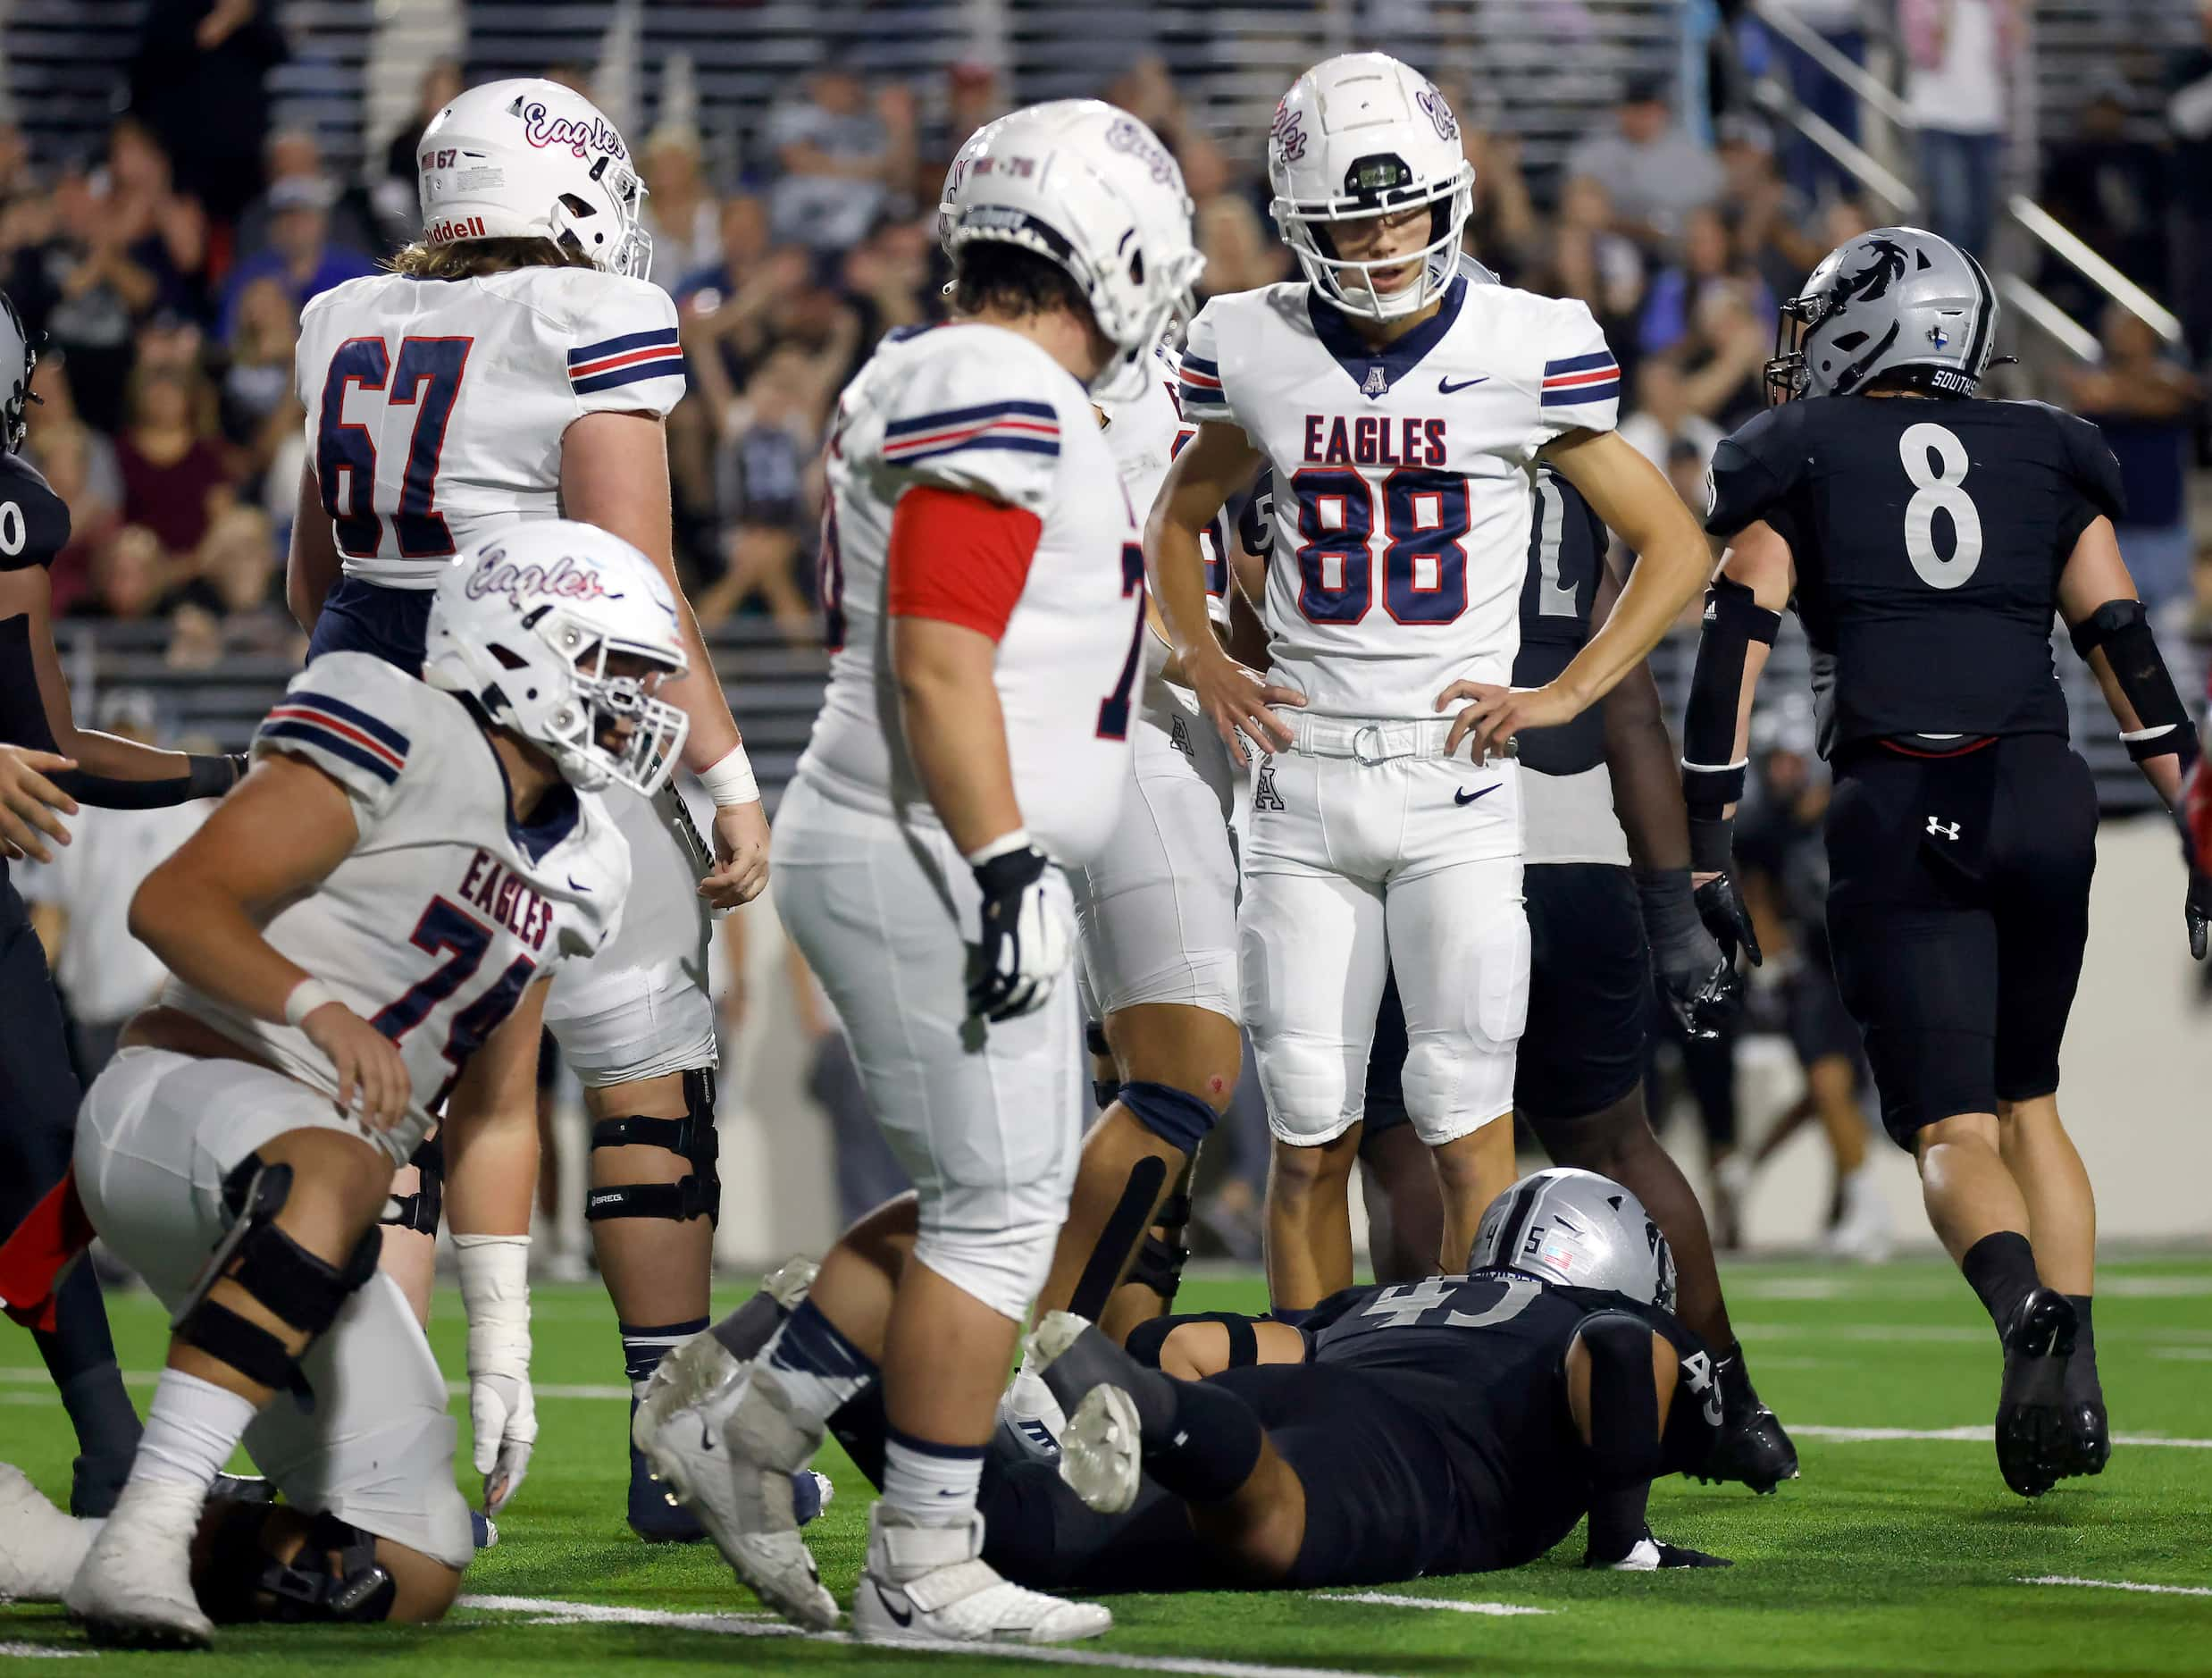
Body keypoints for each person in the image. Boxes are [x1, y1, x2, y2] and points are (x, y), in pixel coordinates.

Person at [632, 97, 1202, 1645]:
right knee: (1002, 1213)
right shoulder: (994, 379)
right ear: (1119, 245)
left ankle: (746, 1431)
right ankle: (924, 1559)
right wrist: (1009, 859)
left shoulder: (972, 369)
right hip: (930, 839)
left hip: (920, 834)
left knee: (983, 1193)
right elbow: (944, 662)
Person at [0, 520, 668, 1646]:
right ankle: (150, 1527)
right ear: (521, 648)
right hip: (184, 1106)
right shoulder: (391, 716)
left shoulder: (586, 861)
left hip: (315, 1192)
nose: (638, 701)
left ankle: (46, 1548)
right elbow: (175, 903)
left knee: (403, 1567)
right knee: (343, 1160)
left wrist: (501, 1343)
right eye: (616, 669)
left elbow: (498, 1110)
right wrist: (316, 1006)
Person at [280, 77, 775, 1541]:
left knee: (396, 1088)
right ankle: (671, 1438)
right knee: (642, 1059)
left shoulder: (339, 316)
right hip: (538, 729)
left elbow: (315, 578)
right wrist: (727, 779)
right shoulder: (581, 318)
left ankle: (380, 1453)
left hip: (356, 725)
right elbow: (639, 588)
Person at [1149, 53, 1715, 1311]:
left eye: (1406, 206)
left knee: (1472, 1132)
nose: (1389, 237)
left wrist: (1563, 694)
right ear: (1307, 220)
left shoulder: (1526, 341)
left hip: (1458, 784)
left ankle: (1468, 1412)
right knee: (1311, 1134)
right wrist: (1202, 659)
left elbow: (1677, 546)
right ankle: (1311, 1424)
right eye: (1358, 215)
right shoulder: (1253, 342)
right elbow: (1175, 519)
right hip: (1300, 790)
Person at [1688, 226, 2210, 1499]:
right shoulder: (2044, 445)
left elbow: (1735, 643)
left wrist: (1703, 837)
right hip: (2045, 789)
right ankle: (2067, 1368)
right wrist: (2195, 808)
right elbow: (2122, 644)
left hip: (1899, 793)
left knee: (1950, 1125)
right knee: (2033, 1099)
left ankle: (2023, 1300)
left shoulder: (1795, 454)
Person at [1358, 449, 1796, 1491]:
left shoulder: (1364, 464)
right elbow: (1632, 708)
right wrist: (1670, 903)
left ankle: (1435, 1414)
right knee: (1619, 1142)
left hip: (1427, 835)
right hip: (1580, 852)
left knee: (1411, 1142)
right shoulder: (1562, 493)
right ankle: (1727, 1398)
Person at [833, 1169, 1728, 1591]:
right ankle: (1148, 1412)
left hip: (1256, 1410)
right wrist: (1623, 1540)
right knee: (1269, 1532)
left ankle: (836, 1364)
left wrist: (1147, 1377)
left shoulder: (1388, 1301)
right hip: (1396, 1455)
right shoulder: (1591, 1317)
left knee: (1029, 1548)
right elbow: (1616, 1353)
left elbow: (1184, 1343)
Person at [0, 289, 247, 1521]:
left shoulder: (14, 511)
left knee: (43, 1148)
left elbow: (40, 742)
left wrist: (223, 771)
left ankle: (108, 1445)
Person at [21, 690, 216, 1081]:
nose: (126, 747)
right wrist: (27, 993)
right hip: (92, 1003)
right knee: (102, 1121)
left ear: (154, 740)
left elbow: (212, 908)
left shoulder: (186, 815)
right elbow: (52, 914)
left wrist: (183, 979)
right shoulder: (72, 815)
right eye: (116, 736)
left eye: (135, 736)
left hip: (161, 1001)